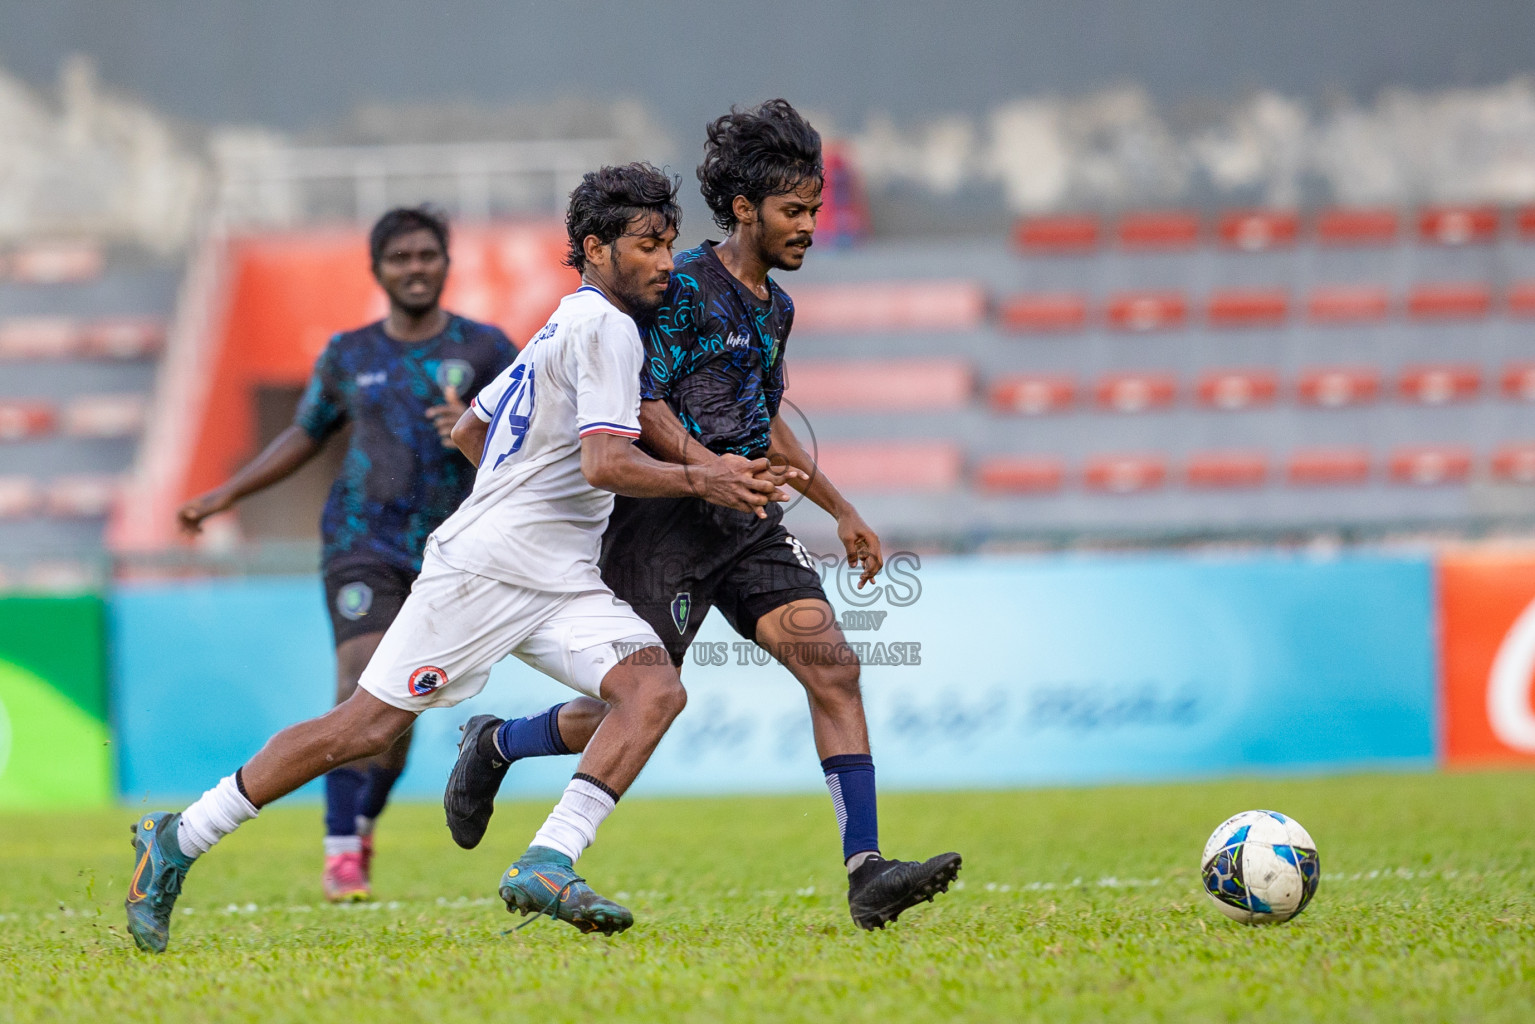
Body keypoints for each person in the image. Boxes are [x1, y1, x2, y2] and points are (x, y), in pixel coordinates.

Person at [126, 163, 791, 953]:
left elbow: (472, 429)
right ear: (594, 247)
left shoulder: (563, 322)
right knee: (364, 727)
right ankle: (177, 838)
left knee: (652, 691)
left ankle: (547, 859)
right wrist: (706, 474)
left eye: (668, 245)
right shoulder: (606, 327)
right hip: (487, 568)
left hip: (558, 575)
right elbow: (605, 463)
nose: (661, 262)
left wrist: (523, 492)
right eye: (646, 245)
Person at [443, 100, 961, 931]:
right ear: (747, 208)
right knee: (640, 700)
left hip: (745, 520)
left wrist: (841, 507)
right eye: (795, 212)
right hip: (660, 525)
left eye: (815, 212)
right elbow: (636, 404)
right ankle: (498, 742)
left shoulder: (774, 309)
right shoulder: (675, 286)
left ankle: (866, 869)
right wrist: (704, 470)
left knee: (831, 666)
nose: (808, 228)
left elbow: (764, 420)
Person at [176, 206, 515, 902]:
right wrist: (224, 495)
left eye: (427, 255)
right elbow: (302, 435)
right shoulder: (347, 354)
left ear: (445, 264)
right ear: (378, 269)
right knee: (358, 680)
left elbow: (527, 437)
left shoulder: (486, 349)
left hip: (450, 553)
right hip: (360, 541)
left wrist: (472, 428)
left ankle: (360, 823)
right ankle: (339, 853)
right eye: (401, 257)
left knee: (393, 720)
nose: (415, 267)